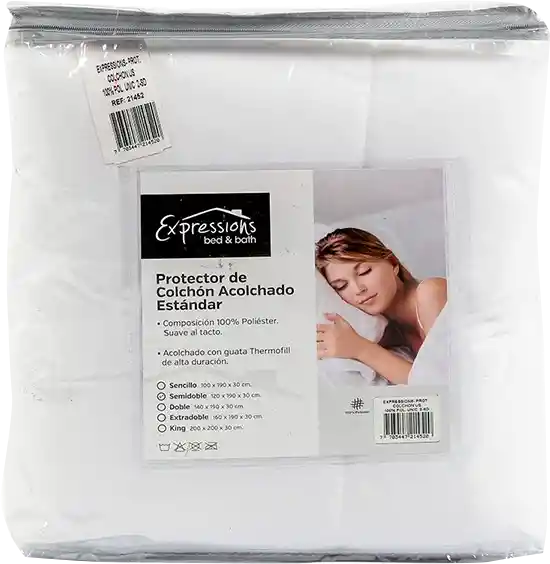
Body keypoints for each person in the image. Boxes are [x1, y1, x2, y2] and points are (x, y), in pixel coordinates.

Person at [315, 228, 447, 385]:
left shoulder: (431, 291)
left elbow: (437, 380)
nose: (358, 289)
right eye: (341, 286)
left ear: (393, 263)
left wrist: (359, 348)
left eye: (364, 272)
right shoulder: (390, 332)